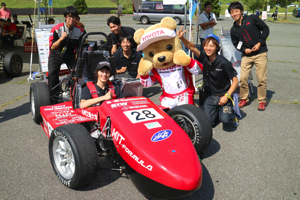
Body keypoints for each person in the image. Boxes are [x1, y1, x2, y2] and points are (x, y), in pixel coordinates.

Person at [177, 27, 239, 128]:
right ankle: (218, 111)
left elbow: (235, 81)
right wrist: (182, 38)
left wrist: (226, 96)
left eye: (211, 46)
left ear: (217, 47)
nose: (208, 48)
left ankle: (230, 113)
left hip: (223, 96)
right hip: (211, 96)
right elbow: (192, 47)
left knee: (225, 119)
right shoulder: (204, 58)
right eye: (206, 45)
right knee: (208, 122)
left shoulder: (224, 62)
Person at [228, 2, 270, 111]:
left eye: (236, 11)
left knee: (261, 79)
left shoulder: (252, 18)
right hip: (247, 55)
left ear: (241, 11)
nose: (234, 14)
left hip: (260, 52)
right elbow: (236, 43)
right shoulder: (234, 29)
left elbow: (265, 29)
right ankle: (244, 99)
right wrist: (243, 49)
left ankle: (262, 101)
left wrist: (260, 42)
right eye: (232, 12)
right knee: (243, 78)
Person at [48, 6, 84, 103]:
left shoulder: (80, 31)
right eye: (69, 16)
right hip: (56, 54)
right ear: (65, 17)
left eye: (73, 17)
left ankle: (74, 93)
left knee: (76, 73)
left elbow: (80, 47)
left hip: (70, 54)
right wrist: (61, 39)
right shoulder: (56, 29)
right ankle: (53, 97)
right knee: (52, 74)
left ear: (76, 18)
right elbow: (52, 47)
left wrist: (77, 60)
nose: (71, 19)